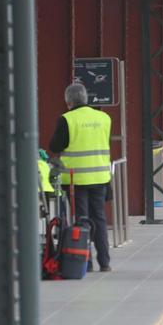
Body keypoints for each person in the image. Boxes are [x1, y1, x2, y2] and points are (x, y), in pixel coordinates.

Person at [48, 83, 112, 272]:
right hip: (100, 176)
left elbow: (55, 146)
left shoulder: (66, 119)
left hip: (77, 180)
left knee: (82, 218)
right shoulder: (104, 118)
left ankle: (86, 262)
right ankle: (105, 262)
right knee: (99, 218)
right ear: (86, 99)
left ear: (69, 101)